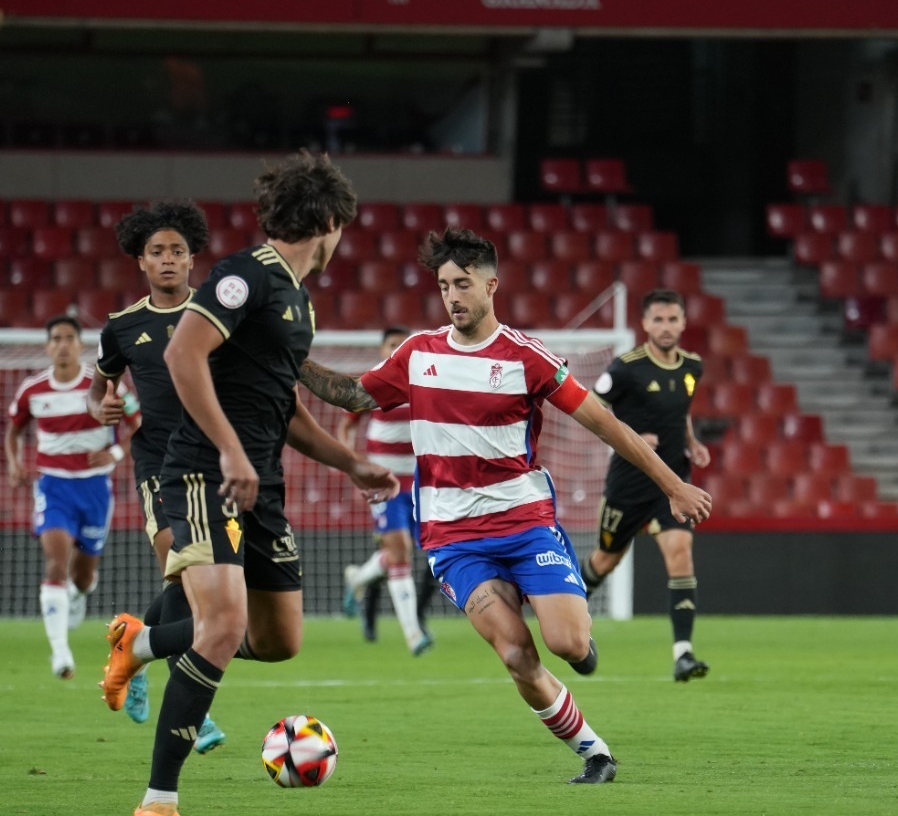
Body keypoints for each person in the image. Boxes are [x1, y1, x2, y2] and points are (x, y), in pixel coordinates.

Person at [298, 228, 712, 785]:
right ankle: (596, 753)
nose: (452, 296)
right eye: (444, 286)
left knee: (567, 643)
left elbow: (607, 424)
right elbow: (352, 394)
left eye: (462, 284)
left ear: (491, 284)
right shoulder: (418, 354)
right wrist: (290, 358)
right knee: (516, 654)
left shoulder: (525, 358)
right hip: (452, 539)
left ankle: (574, 634)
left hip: (524, 523)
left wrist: (672, 485)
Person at [98, 152, 397, 816]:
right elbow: (181, 356)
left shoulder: (297, 300)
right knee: (223, 628)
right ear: (327, 220)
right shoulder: (245, 275)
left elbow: (285, 410)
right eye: (341, 226)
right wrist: (231, 450)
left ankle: (139, 644)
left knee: (278, 640)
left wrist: (352, 463)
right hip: (205, 473)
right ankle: (158, 805)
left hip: (261, 488)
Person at [88, 199, 223, 754]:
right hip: (159, 467)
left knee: (189, 590)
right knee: (182, 574)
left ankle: (134, 646)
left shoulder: (218, 315)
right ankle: (190, 704)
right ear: (140, 262)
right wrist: (104, 408)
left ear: (192, 258)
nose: (167, 260)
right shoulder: (123, 327)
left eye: (177, 251)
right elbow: (102, 388)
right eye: (156, 252)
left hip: (215, 465)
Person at [578, 289, 712, 682]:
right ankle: (564, 616)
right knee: (605, 560)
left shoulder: (693, 366)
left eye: (673, 319)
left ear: (684, 322)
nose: (666, 327)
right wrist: (632, 434)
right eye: (658, 320)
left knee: (680, 552)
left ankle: (683, 653)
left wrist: (690, 441)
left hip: (673, 485)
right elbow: (590, 403)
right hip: (629, 482)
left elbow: (681, 409)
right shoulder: (625, 367)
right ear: (645, 324)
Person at [4, 315, 135, 679]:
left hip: (94, 488)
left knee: (81, 576)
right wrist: (15, 464)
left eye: (69, 338)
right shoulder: (33, 389)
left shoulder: (104, 386)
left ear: (80, 345)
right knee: (55, 563)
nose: (62, 344)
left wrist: (117, 454)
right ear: (48, 346)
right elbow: (13, 432)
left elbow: (138, 423)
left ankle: (78, 595)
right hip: (54, 486)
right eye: (56, 338)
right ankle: (61, 653)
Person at [335, 326, 435, 655]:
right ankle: (412, 634)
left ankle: (358, 578)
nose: (397, 350)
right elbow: (347, 425)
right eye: (392, 345)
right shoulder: (373, 384)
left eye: (401, 345)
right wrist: (352, 463)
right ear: (381, 350)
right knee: (402, 549)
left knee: (402, 552)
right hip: (384, 483)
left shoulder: (425, 383)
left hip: (421, 482)